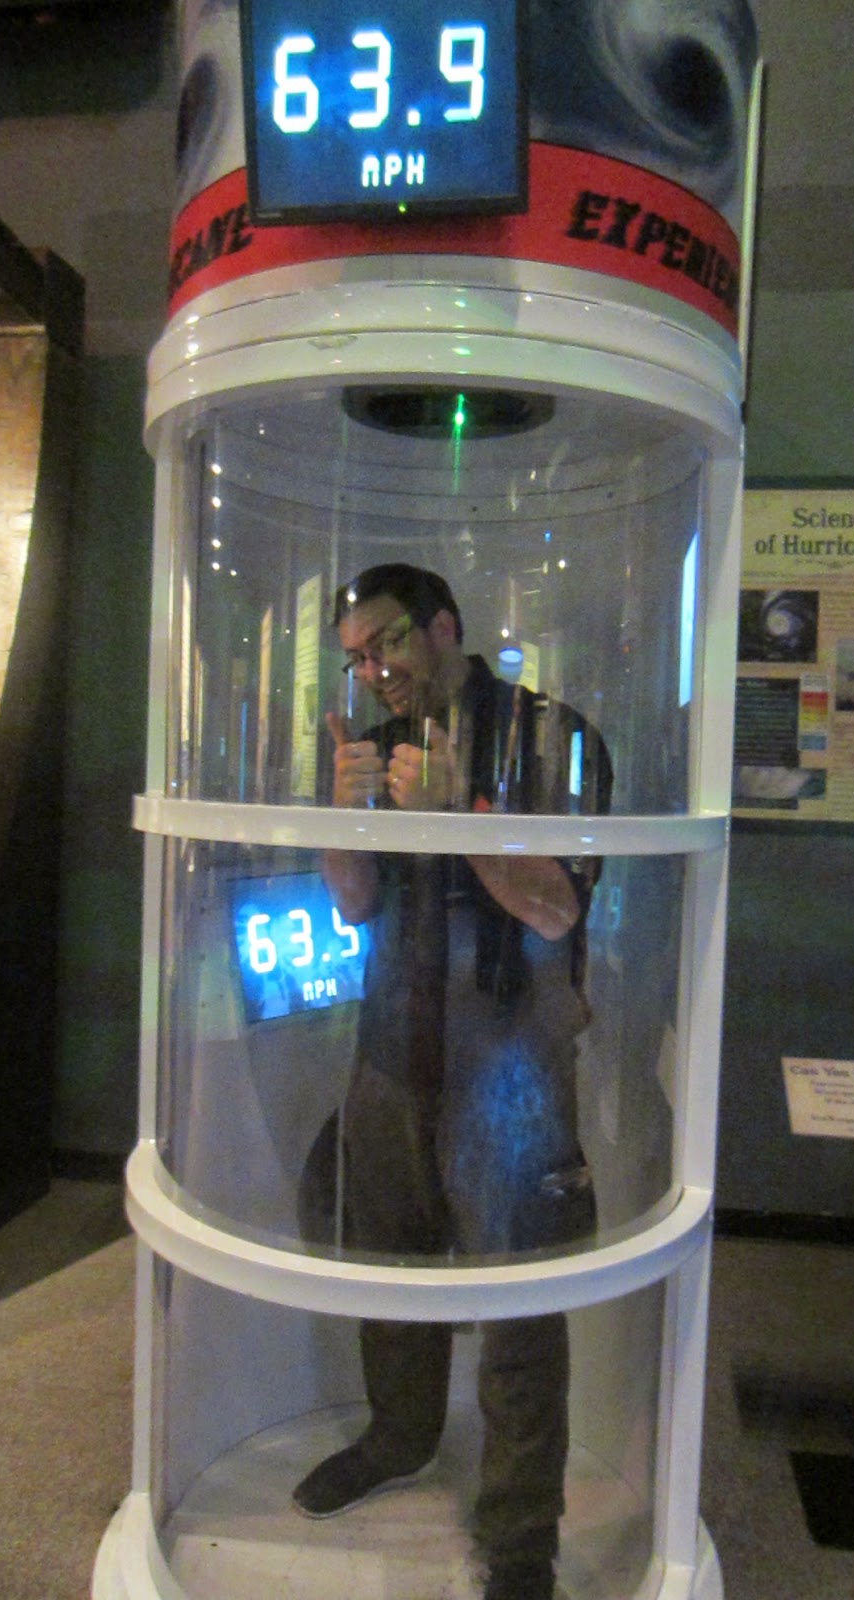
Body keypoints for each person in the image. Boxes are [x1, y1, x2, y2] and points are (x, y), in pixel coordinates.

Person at [293, 564, 611, 1600]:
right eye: (354, 657)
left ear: (442, 628)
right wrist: (343, 820)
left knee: (519, 1300)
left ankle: (521, 1538)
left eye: (385, 643)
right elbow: (354, 907)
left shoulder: (552, 736)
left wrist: (457, 815)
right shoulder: (377, 744)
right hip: (394, 1047)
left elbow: (558, 910)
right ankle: (400, 1435)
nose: (372, 670)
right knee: (388, 1267)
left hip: (510, 1060)